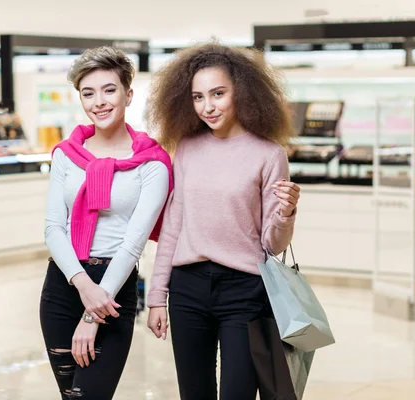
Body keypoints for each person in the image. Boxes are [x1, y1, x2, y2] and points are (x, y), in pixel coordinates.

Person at [145, 42, 301, 399]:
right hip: (187, 289)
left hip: (244, 290)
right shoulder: (186, 148)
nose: (208, 106)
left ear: (242, 92)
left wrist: (286, 213)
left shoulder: (269, 154)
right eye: (198, 97)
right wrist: (157, 296)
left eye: (218, 94)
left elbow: (272, 244)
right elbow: (172, 227)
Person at [41, 46, 172, 399]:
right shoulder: (67, 155)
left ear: (128, 95)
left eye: (109, 90)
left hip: (113, 291)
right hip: (64, 284)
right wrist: (83, 286)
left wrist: (91, 315)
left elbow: (134, 243)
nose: (99, 101)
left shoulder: (152, 163)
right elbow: (53, 228)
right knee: (70, 395)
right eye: (88, 93)